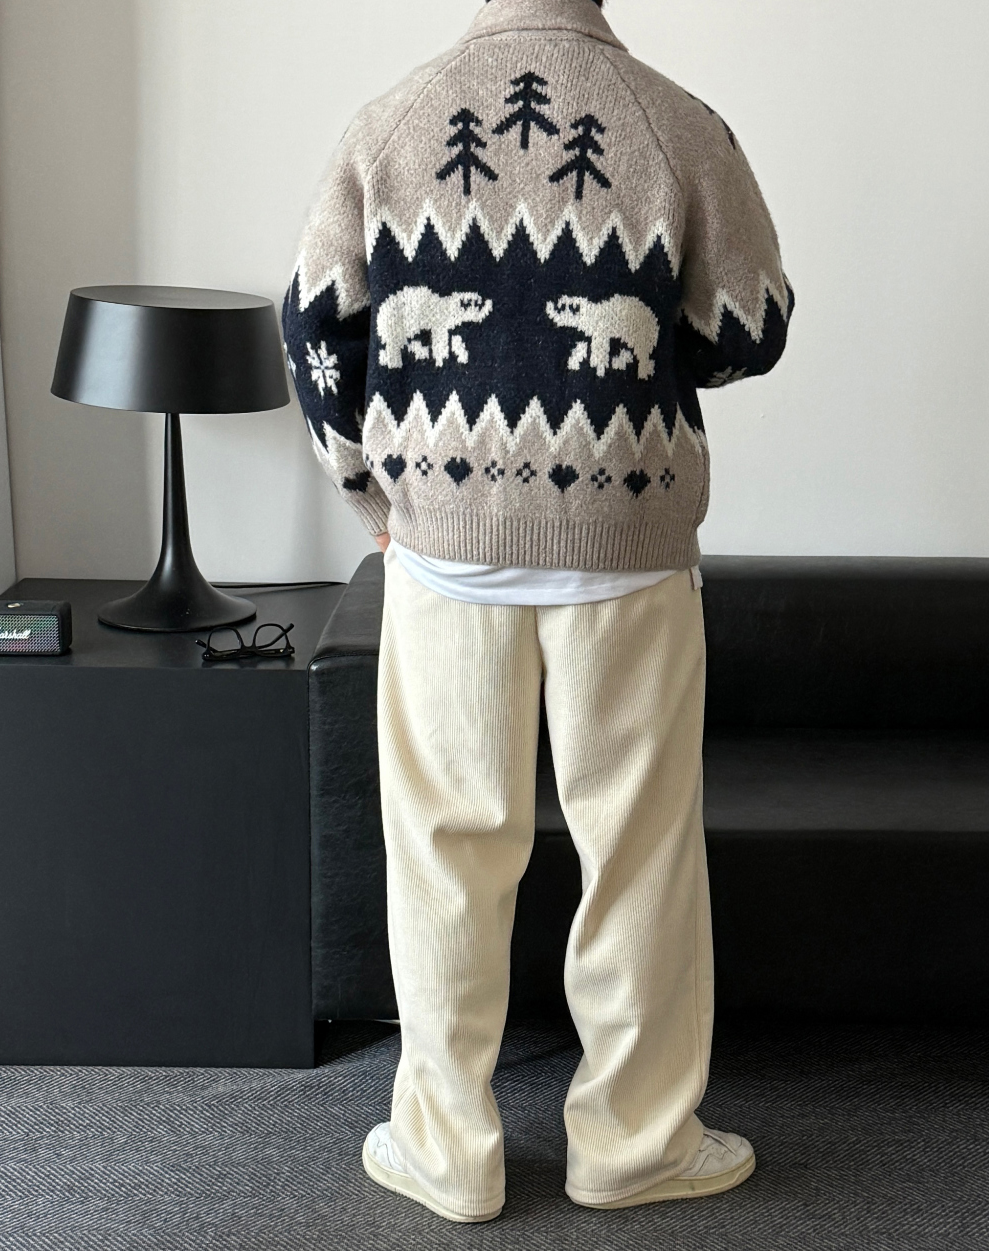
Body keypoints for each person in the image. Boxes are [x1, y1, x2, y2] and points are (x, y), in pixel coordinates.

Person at [283, 0, 793, 1224]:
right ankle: (634, 1145)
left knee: (446, 852)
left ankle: (445, 1151)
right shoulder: (679, 123)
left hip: (444, 554)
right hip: (626, 550)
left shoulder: (389, 123)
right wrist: (648, 375)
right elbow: (751, 326)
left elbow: (311, 325)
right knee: (638, 852)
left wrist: (370, 491)